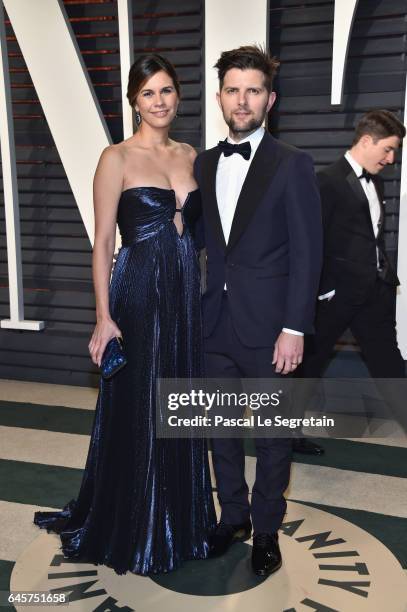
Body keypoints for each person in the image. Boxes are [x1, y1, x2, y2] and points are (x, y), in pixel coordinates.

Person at [34, 54, 216, 575]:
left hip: (183, 293)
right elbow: (103, 242)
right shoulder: (115, 158)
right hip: (136, 292)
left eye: (166, 91)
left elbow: (202, 236)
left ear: (178, 95)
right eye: (148, 94)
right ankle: (136, 524)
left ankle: (180, 520)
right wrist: (103, 315)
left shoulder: (191, 155)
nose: (159, 102)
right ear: (134, 102)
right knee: (138, 406)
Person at [193, 45, 322, 576]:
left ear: (271, 98)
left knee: (272, 436)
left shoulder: (293, 163)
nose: (241, 100)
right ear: (220, 96)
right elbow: (206, 237)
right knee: (219, 429)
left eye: (252, 90)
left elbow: (308, 251)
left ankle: (267, 528)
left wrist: (295, 326)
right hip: (214, 325)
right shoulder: (204, 163)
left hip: (271, 328)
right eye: (232, 90)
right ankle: (234, 517)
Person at [300, 110, 406, 407]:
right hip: (335, 295)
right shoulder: (326, 181)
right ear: (367, 141)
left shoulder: (378, 184)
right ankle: (286, 436)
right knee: (310, 364)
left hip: (373, 291)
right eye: (388, 149)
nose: (391, 159)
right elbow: (312, 241)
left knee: (388, 362)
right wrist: (323, 290)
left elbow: (372, 237)